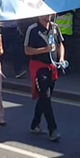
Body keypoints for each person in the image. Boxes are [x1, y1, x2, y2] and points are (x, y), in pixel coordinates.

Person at [24, 13, 65, 141]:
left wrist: (62, 58)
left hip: (52, 67)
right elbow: (27, 50)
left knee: (44, 97)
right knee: (45, 97)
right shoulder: (32, 29)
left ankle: (34, 124)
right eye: (47, 13)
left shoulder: (55, 27)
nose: (50, 15)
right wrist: (45, 50)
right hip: (38, 67)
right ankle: (52, 129)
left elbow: (60, 45)